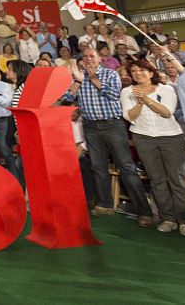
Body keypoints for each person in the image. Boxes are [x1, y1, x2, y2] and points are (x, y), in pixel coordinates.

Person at [62, 47, 153, 226]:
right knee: (98, 167)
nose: (88, 59)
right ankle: (105, 204)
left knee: (126, 167)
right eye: (85, 57)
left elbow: (112, 94)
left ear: (99, 59)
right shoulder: (79, 77)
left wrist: (93, 78)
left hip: (112, 125)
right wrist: (79, 81)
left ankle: (144, 211)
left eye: (92, 56)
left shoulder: (110, 75)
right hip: (90, 127)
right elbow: (66, 98)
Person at [120, 60, 185, 236]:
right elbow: (129, 117)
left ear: (151, 73)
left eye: (142, 70)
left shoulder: (166, 89)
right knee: (157, 180)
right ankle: (167, 218)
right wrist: (138, 103)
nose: (138, 73)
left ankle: (184, 220)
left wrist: (146, 99)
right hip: (143, 138)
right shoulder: (127, 92)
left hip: (170, 137)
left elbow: (167, 112)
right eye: (134, 71)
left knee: (177, 180)